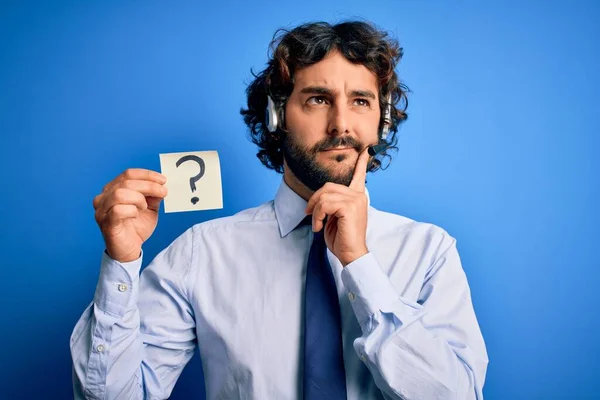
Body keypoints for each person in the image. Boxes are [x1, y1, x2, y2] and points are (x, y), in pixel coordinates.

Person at [70, 20, 488, 399]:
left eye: (361, 101)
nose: (341, 123)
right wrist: (121, 261)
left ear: (381, 121)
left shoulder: (430, 251)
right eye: (318, 99)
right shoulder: (203, 252)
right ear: (276, 115)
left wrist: (359, 263)